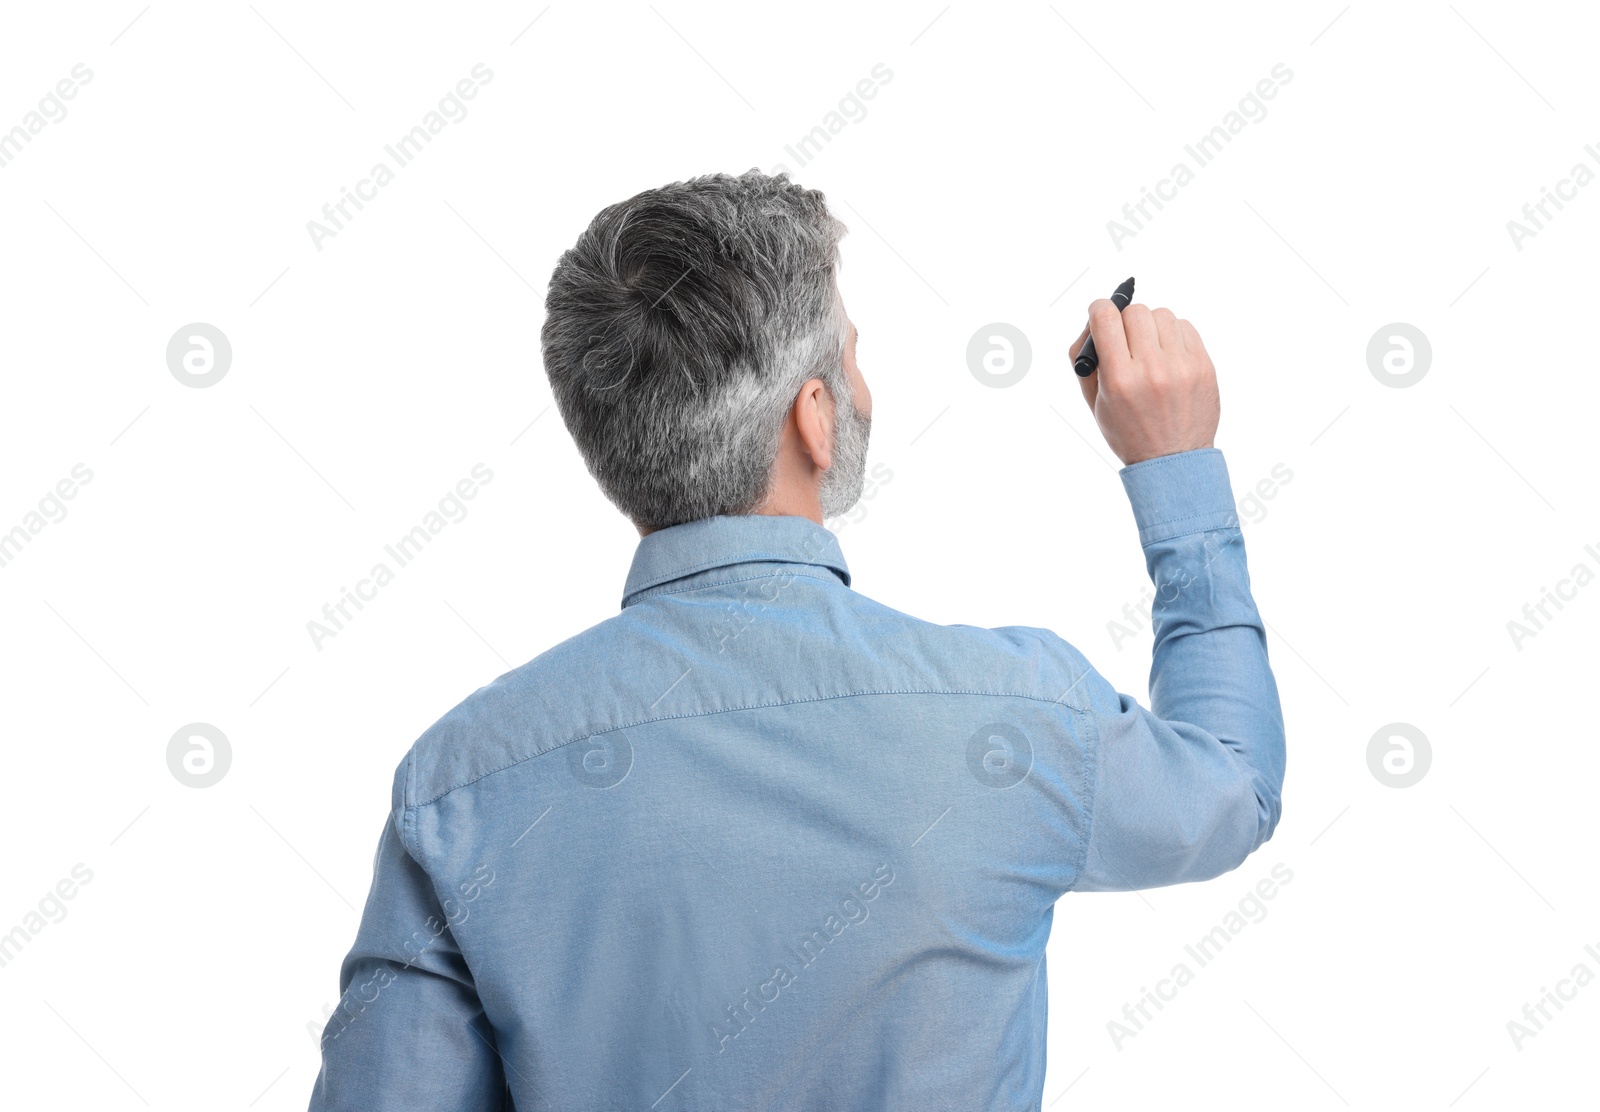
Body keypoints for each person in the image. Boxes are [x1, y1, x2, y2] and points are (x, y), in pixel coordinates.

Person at [307, 169, 1286, 1111]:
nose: (861, 381)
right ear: (813, 419)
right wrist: (1177, 467)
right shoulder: (1013, 716)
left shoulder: (460, 783)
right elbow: (1231, 787)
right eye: (849, 356)